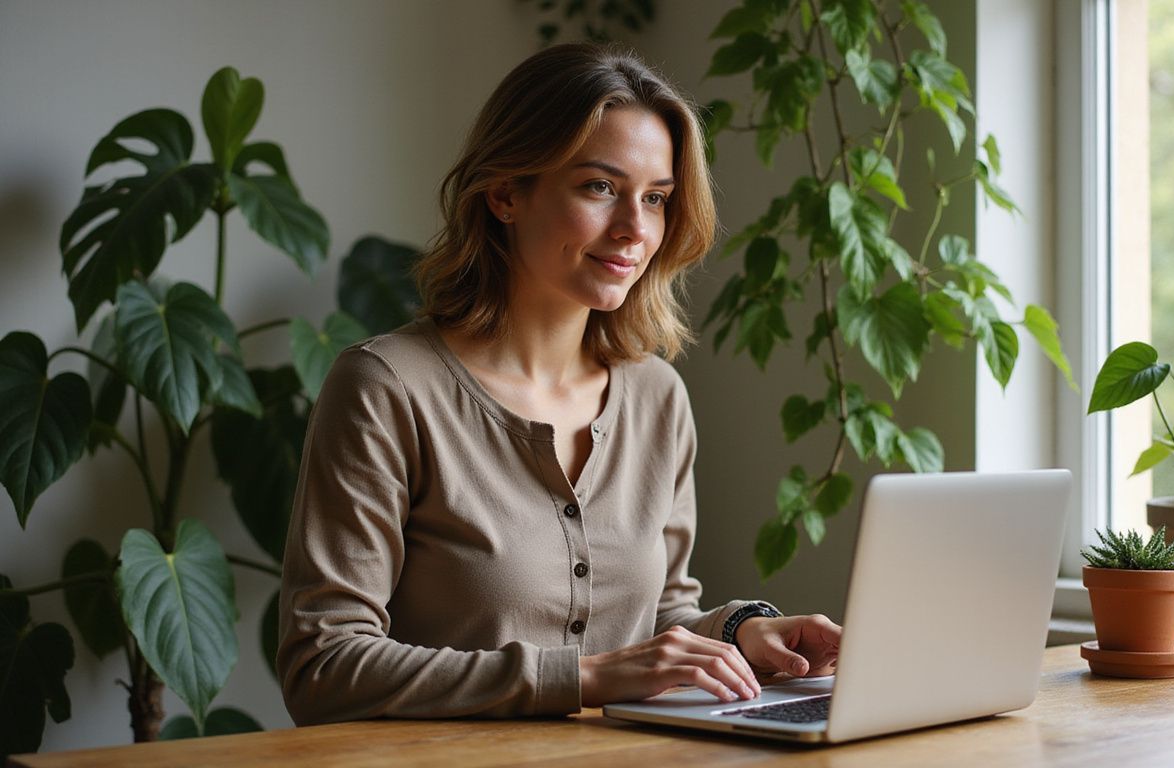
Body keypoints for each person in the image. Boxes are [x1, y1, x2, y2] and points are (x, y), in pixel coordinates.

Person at [277, 43, 842, 725]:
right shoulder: (387, 388)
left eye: (657, 199)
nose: (636, 229)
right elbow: (324, 665)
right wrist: (583, 677)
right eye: (600, 187)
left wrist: (739, 632)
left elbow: (659, 614)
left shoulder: (657, 397)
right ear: (506, 192)